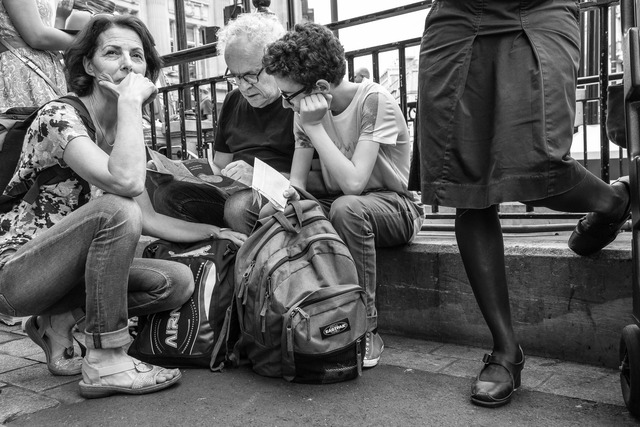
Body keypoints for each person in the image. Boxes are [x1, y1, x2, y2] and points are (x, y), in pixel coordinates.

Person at [0, 14, 245, 399]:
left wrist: (215, 231)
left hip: (69, 275)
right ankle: (107, 360)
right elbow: (125, 188)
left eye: (137, 55)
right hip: (17, 275)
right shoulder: (59, 117)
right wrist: (130, 104)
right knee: (117, 208)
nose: (127, 64)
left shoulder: (124, 136)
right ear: (88, 65)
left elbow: (147, 218)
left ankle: (58, 320)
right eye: (112, 53)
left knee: (175, 282)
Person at [417, 1, 630, 407]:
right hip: (457, 20)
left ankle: (614, 200)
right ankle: (505, 350)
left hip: (538, 9)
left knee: (540, 164)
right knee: (467, 183)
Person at [262, 22, 424, 368]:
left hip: (396, 206)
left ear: (320, 87)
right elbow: (298, 183)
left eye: (288, 96)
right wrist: (282, 196)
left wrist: (315, 126)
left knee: (347, 208)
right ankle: (289, 316)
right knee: (272, 213)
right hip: (342, 204)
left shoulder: (373, 101)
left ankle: (366, 326)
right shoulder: (303, 111)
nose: (286, 105)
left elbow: (354, 183)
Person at [152, 12, 325, 235]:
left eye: (250, 75)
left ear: (276, 63)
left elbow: (320, 180)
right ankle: (224, 247)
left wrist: (261, 178)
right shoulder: (233, 100)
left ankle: (252, 254)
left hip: (281, 195)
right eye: (234, 76)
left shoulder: (297, 101)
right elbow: (219, 166)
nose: (243, 86)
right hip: (234, 193)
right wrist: (177, 171)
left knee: (239, 208)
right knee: (166, 195)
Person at [0, 0, 77, 109]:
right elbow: (37, 37)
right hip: (22, 72)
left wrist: (60, 18)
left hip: (39, 70)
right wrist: (88, 40)